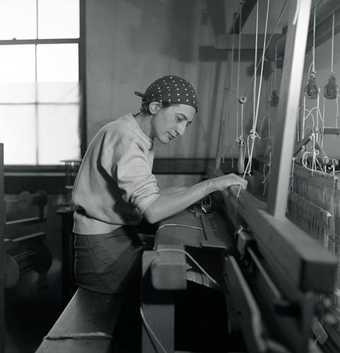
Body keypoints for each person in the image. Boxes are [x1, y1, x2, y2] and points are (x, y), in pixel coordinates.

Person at [72, 74, 247, 294]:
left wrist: (193, 193)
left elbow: (150, 195)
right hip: (101, 244)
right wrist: (210, 185)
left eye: (187, 123)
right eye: (179, 118)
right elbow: (153, 210)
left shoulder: (135, 134)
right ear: (155, 107)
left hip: (113, 235)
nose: (181, 131)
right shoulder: (126, 139)